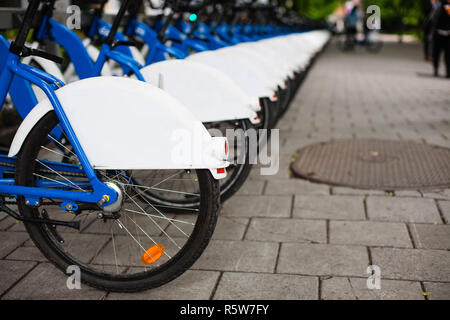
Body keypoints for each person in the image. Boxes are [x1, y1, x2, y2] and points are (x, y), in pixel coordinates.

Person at [431, 0, 450, 78]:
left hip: (449, 34)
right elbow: (432, 16)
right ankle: (435, 69)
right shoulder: (439, 4)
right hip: (438, 33)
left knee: (448, 55)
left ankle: (448, 71)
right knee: (436, 53)